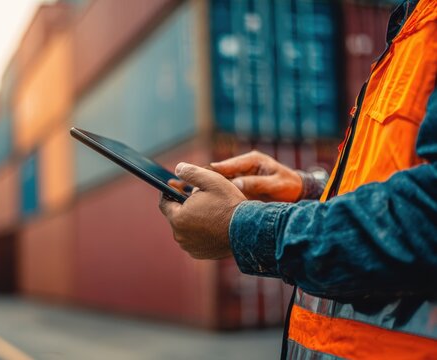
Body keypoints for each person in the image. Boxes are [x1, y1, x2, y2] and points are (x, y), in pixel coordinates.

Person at [159, 0, 437, 358]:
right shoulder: (414, 24)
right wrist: (311, 190)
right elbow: (402, 180)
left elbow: (427, 221)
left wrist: (242, 228)